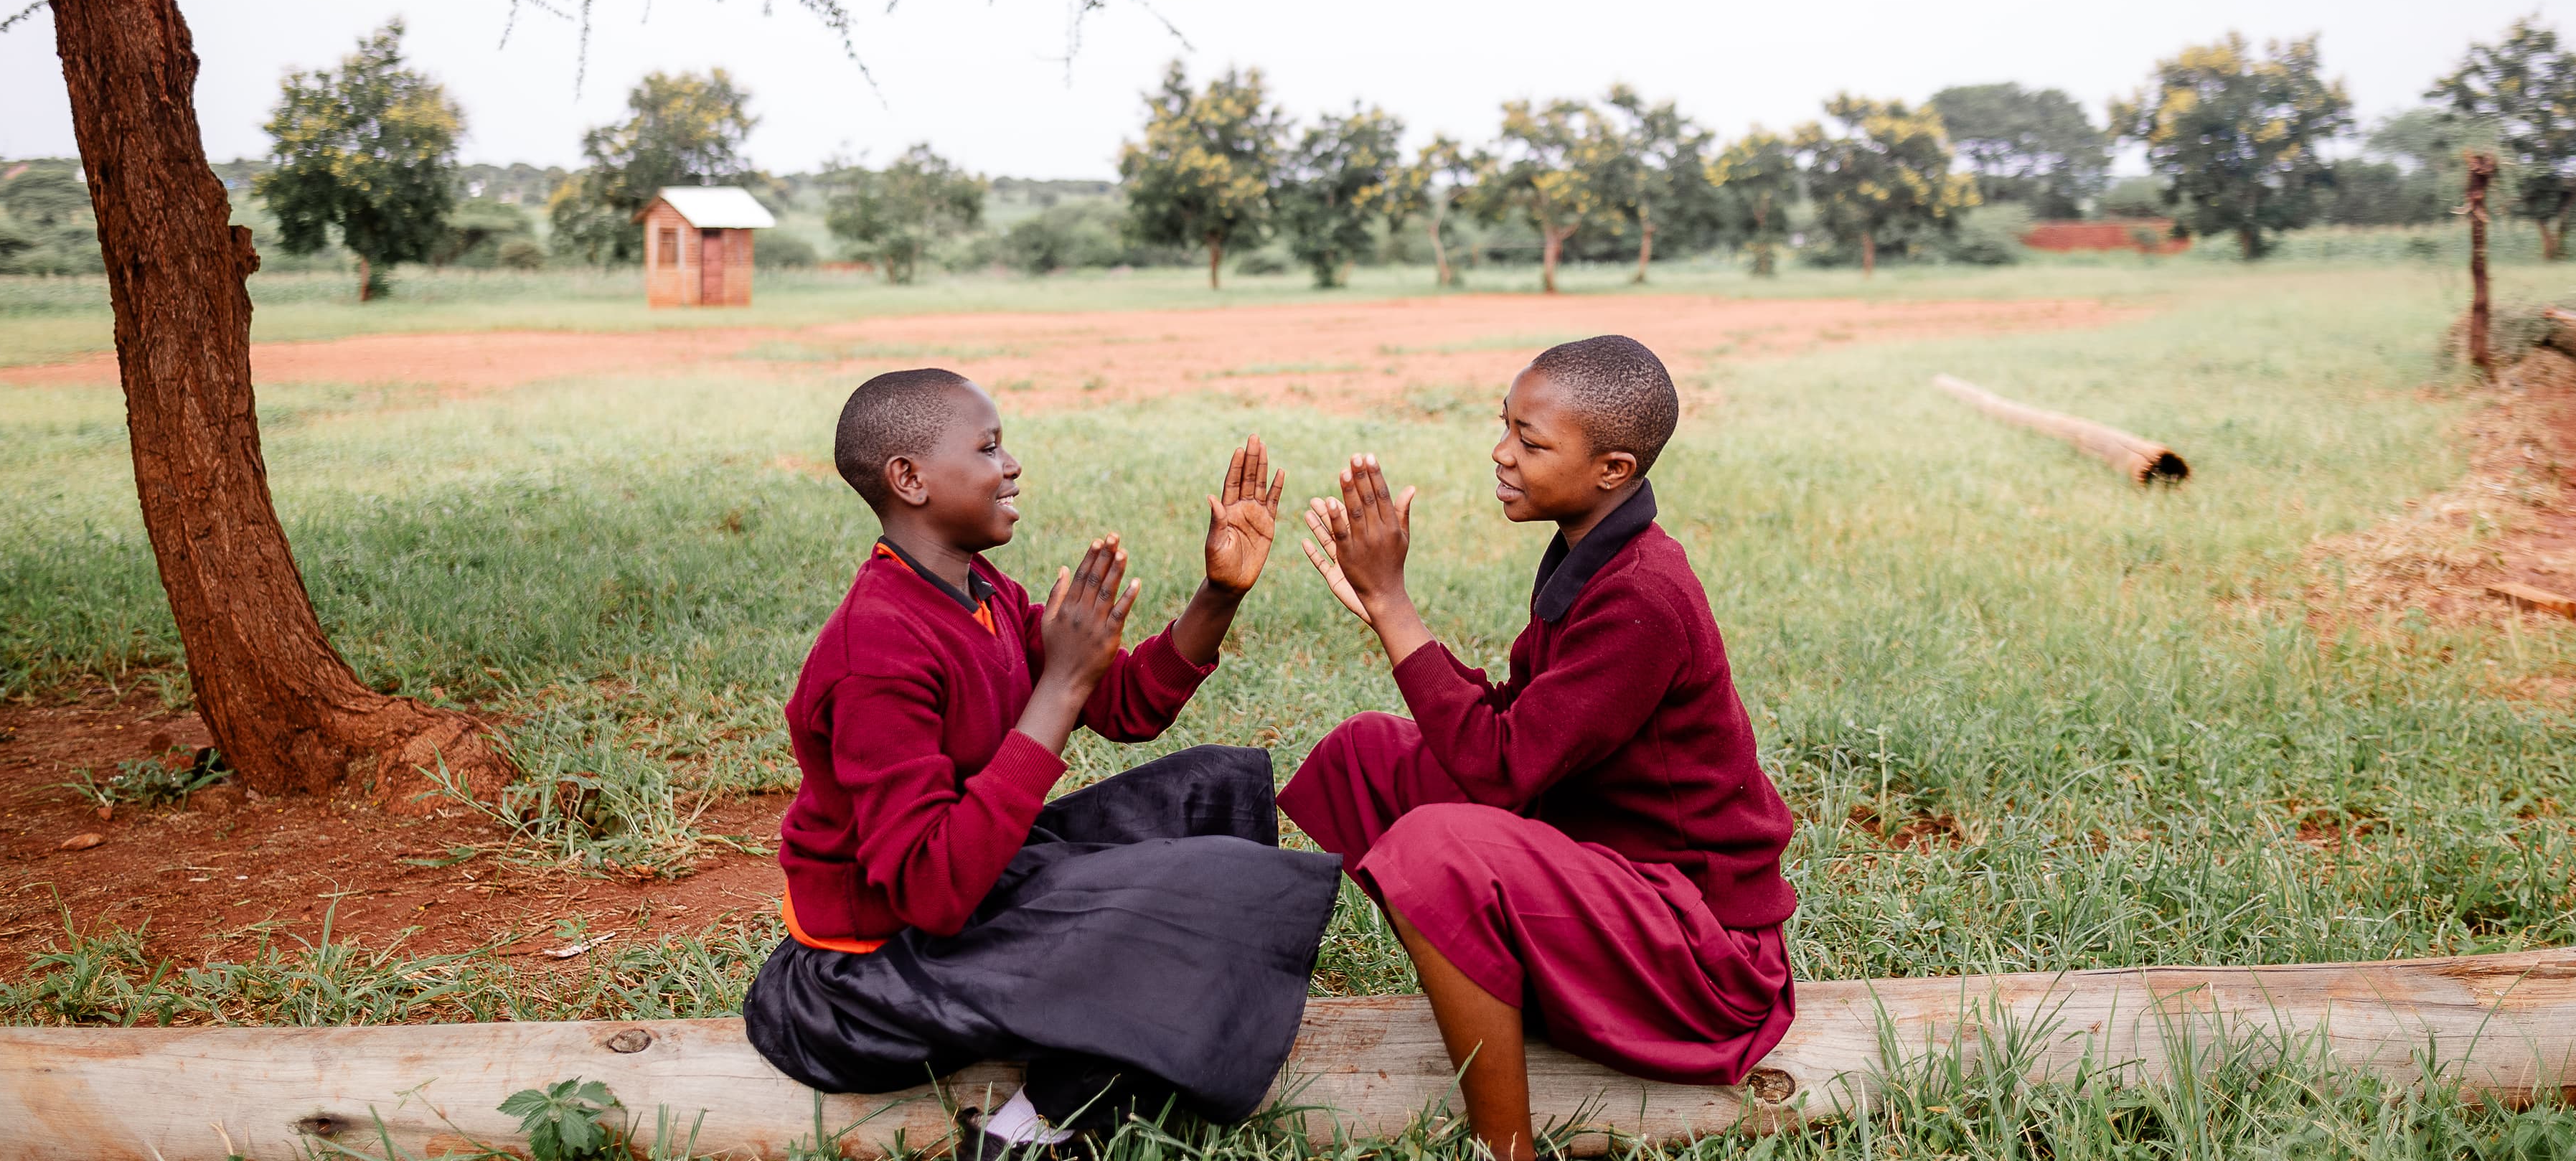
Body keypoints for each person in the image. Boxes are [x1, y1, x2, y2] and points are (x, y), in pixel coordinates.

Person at [746, 367, 1343, 1155]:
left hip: (972, 885)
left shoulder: (980, 590)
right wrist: (1058, 686)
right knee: (1188, 887)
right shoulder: (877, 646)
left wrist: (1217, 594)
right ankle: (1028, 1130)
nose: (1012, 464)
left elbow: (1127, 706)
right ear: (910, 479)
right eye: (989, 447)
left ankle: (1099, 1052)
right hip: (864, 986)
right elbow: (931, 888)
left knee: (1212, 790)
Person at [1281, 335, 1797, 1161]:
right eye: (1505, 427)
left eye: (1531, 440)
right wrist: (1388, 613)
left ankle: (1506, 1148)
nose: (1502, 454)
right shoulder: (1590, 559)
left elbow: (1500, 769)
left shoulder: (1645, 595)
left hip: (1706, 965)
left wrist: (1394, 605)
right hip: (1622, 891)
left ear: (1613, 469)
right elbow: (1511, 737)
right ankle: (1500, 983)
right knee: (1366, 754)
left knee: (1433, 846)